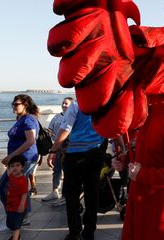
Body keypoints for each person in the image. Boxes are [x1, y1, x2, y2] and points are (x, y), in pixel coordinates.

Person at [113, 100, 164, 240]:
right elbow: (143, 155)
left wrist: (142, 173)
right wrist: (124, 161)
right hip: (139, 198)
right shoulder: (144, 124)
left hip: (159, 205)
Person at [47, 99, 103, 240]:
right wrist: (120, 146)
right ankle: (89, 230)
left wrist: (53, 150)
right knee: (92, 193)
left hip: (75, 154)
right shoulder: (104, 104)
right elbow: (114, 127)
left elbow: (66, 128)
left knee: (71, 194)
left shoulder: (77, 105)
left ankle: (74, 232)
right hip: (96, 153)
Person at [0, 94, 40, 228]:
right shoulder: (21, 119)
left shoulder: (28, 120)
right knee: (12, 188)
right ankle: (18, 214)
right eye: (13, 104)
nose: (13, 107)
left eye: (16, 104)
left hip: (24, 160)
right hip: (17, 160)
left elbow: (31, 141)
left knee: (5, 188)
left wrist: (10, 157)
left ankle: (20, 215)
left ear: (25, 105)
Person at [42, 96, 73, 204]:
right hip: (57, 147)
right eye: (63, 103)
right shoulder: (56, 117)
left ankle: (65, 195)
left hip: (68, 148)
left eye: (66, 103)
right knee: (56, 170)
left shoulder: (73, 117)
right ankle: (55, 191)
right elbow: (50, 129)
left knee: (67, 172)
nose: (64, 105)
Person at [4, 155, 29, 240]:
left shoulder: (22, 180)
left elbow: (24, 193)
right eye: (12, 166)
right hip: (11, 207)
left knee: (16, 226)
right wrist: (7, 162)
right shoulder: (11, 176)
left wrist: (22, 205)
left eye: (18, 165)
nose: (15, 168)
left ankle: (16, 238)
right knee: (12, 224)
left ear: (22, 167)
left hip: (19, 207)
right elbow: (8, 170)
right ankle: (16, 236)